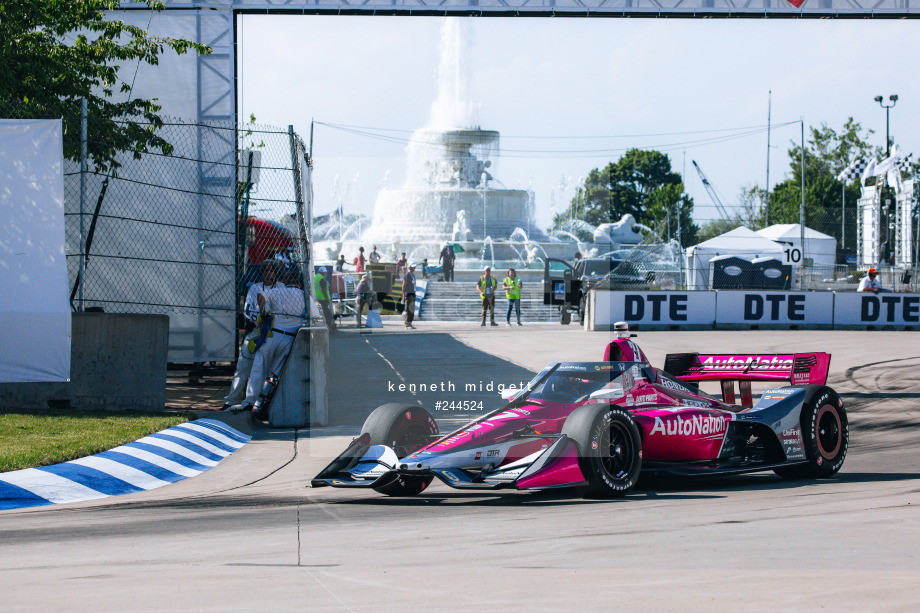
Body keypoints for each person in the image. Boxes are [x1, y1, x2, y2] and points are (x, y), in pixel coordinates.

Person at [230, 268, 305, 416]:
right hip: (290, 337)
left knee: (259, 367)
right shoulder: (303, 295)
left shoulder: (278, 291)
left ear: (283, 280)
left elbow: (261, 296)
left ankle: (250, 402)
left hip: (273, 334)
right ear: (298, 282)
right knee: (274, 373)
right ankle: (264, 404)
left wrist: (263, 314)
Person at [223, 259, 283, 410]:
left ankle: (261, 401)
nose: (269, 273)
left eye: (272, 270)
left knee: (265, 368)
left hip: (273, 331)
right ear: (262, 272)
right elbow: (248, 309)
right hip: (256, 329)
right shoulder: (255, 288)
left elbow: (282, 308)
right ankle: (231, 400)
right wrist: (260, 320)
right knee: (243, 366)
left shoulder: (280, 287)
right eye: (266, 270)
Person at [314, 266, 335, 331]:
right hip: (323, 299)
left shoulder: (316, 277)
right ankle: (328, 329)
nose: (326, 275)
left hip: (318, 298)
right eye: (325, 273)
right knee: (328, 314)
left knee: (323, 314)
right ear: (323, 273)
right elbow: (324, 290)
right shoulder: (321, 279)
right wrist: (327, 299)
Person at [402, 264, 417, 329]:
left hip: (413, 293)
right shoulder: (407, 275)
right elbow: (404, 284)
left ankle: (410, 323)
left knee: (412, 310)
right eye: (412, 267)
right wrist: (403, 293)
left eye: (414, 267)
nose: (413, 269)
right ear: (410, 268)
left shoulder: (413, 275)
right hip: (408, 293)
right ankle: (407, 324)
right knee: (408, 309)